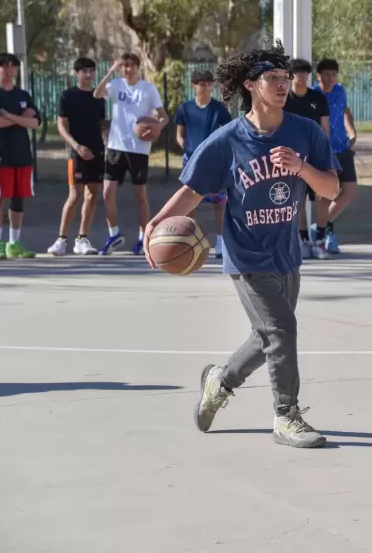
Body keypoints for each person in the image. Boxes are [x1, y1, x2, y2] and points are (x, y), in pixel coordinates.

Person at [143, 42, 340, 448]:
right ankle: (287, 416)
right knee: (282, 329)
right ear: (251, 84)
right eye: (273, 79)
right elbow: (191, 192)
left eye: (286, 78)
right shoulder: (226, 140)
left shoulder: (305, 132)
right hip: (246, 254)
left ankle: (220, 380)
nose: (283, 85)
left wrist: (301, 168)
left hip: (286, 252)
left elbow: (332, 188)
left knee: (266, 336)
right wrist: (157, 223)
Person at [94, 52, 169, 256]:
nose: (127, 69)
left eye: (131, 66)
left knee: (140, 196)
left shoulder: (148, 89)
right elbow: (97, 93)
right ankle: (114, 234)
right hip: (116, 147)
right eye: (124, 66)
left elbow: (164, 117)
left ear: (138, 67)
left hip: (138, 149)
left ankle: (143, 238)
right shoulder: (117, 84)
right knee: (107, 193)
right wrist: (110, 69)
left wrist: (156, 128)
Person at [47, 57, 107, 256]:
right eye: (84, 71)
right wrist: (77, 146)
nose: (89, 75)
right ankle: (61, 240)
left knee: (92, 196)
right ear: (77, 73)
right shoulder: (67, 96)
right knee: (74, 195)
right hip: (77, 152)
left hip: (97, 151)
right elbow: (61, 126)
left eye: (91, 71)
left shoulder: (99, 98)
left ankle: (82, 239)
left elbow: (101, 126)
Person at [0, 53, 39, 259]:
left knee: (18, 200)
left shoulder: (24, 95)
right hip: (0, 154)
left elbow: (35, 122)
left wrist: (8, 116)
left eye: (13, 67)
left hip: (22, 154)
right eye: (5, 66)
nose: (10, 71)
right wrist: (19, 118)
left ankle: (13, 243)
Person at [175, 69, 232, 258]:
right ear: (194, 86)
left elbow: (227, 133)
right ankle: (191, 239)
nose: (206, 88)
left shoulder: (219, 109)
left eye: (209, 84)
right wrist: (187, 148)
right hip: (191, 161)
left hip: (214, 162)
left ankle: (221, 243)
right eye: (202, 84)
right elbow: (179, 135)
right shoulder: (185, 108)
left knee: (219, 203)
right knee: (190, 203)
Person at [283, 58, 330, 259]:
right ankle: (302, 240)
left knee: (322, 197)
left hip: (316, 156)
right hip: (294, 157)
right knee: (298, 200)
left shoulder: (318, 98)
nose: (301, 78)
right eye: (298, 74)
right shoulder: (285, 99)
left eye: (305, 74)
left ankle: (320, 240)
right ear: (291, 76)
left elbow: (325, 129)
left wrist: (324, 154)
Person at [313, 58, 359, 254]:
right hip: (324, 151)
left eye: (333, 74)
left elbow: (345, 110)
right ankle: (324, 233)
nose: (330, 78)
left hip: (342, 148)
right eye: (326, 75)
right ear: (319, 76)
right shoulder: (314, 94)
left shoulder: (340, 91)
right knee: (325, 194)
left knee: (350, 189)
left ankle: (323, 224)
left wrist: (352, 131)